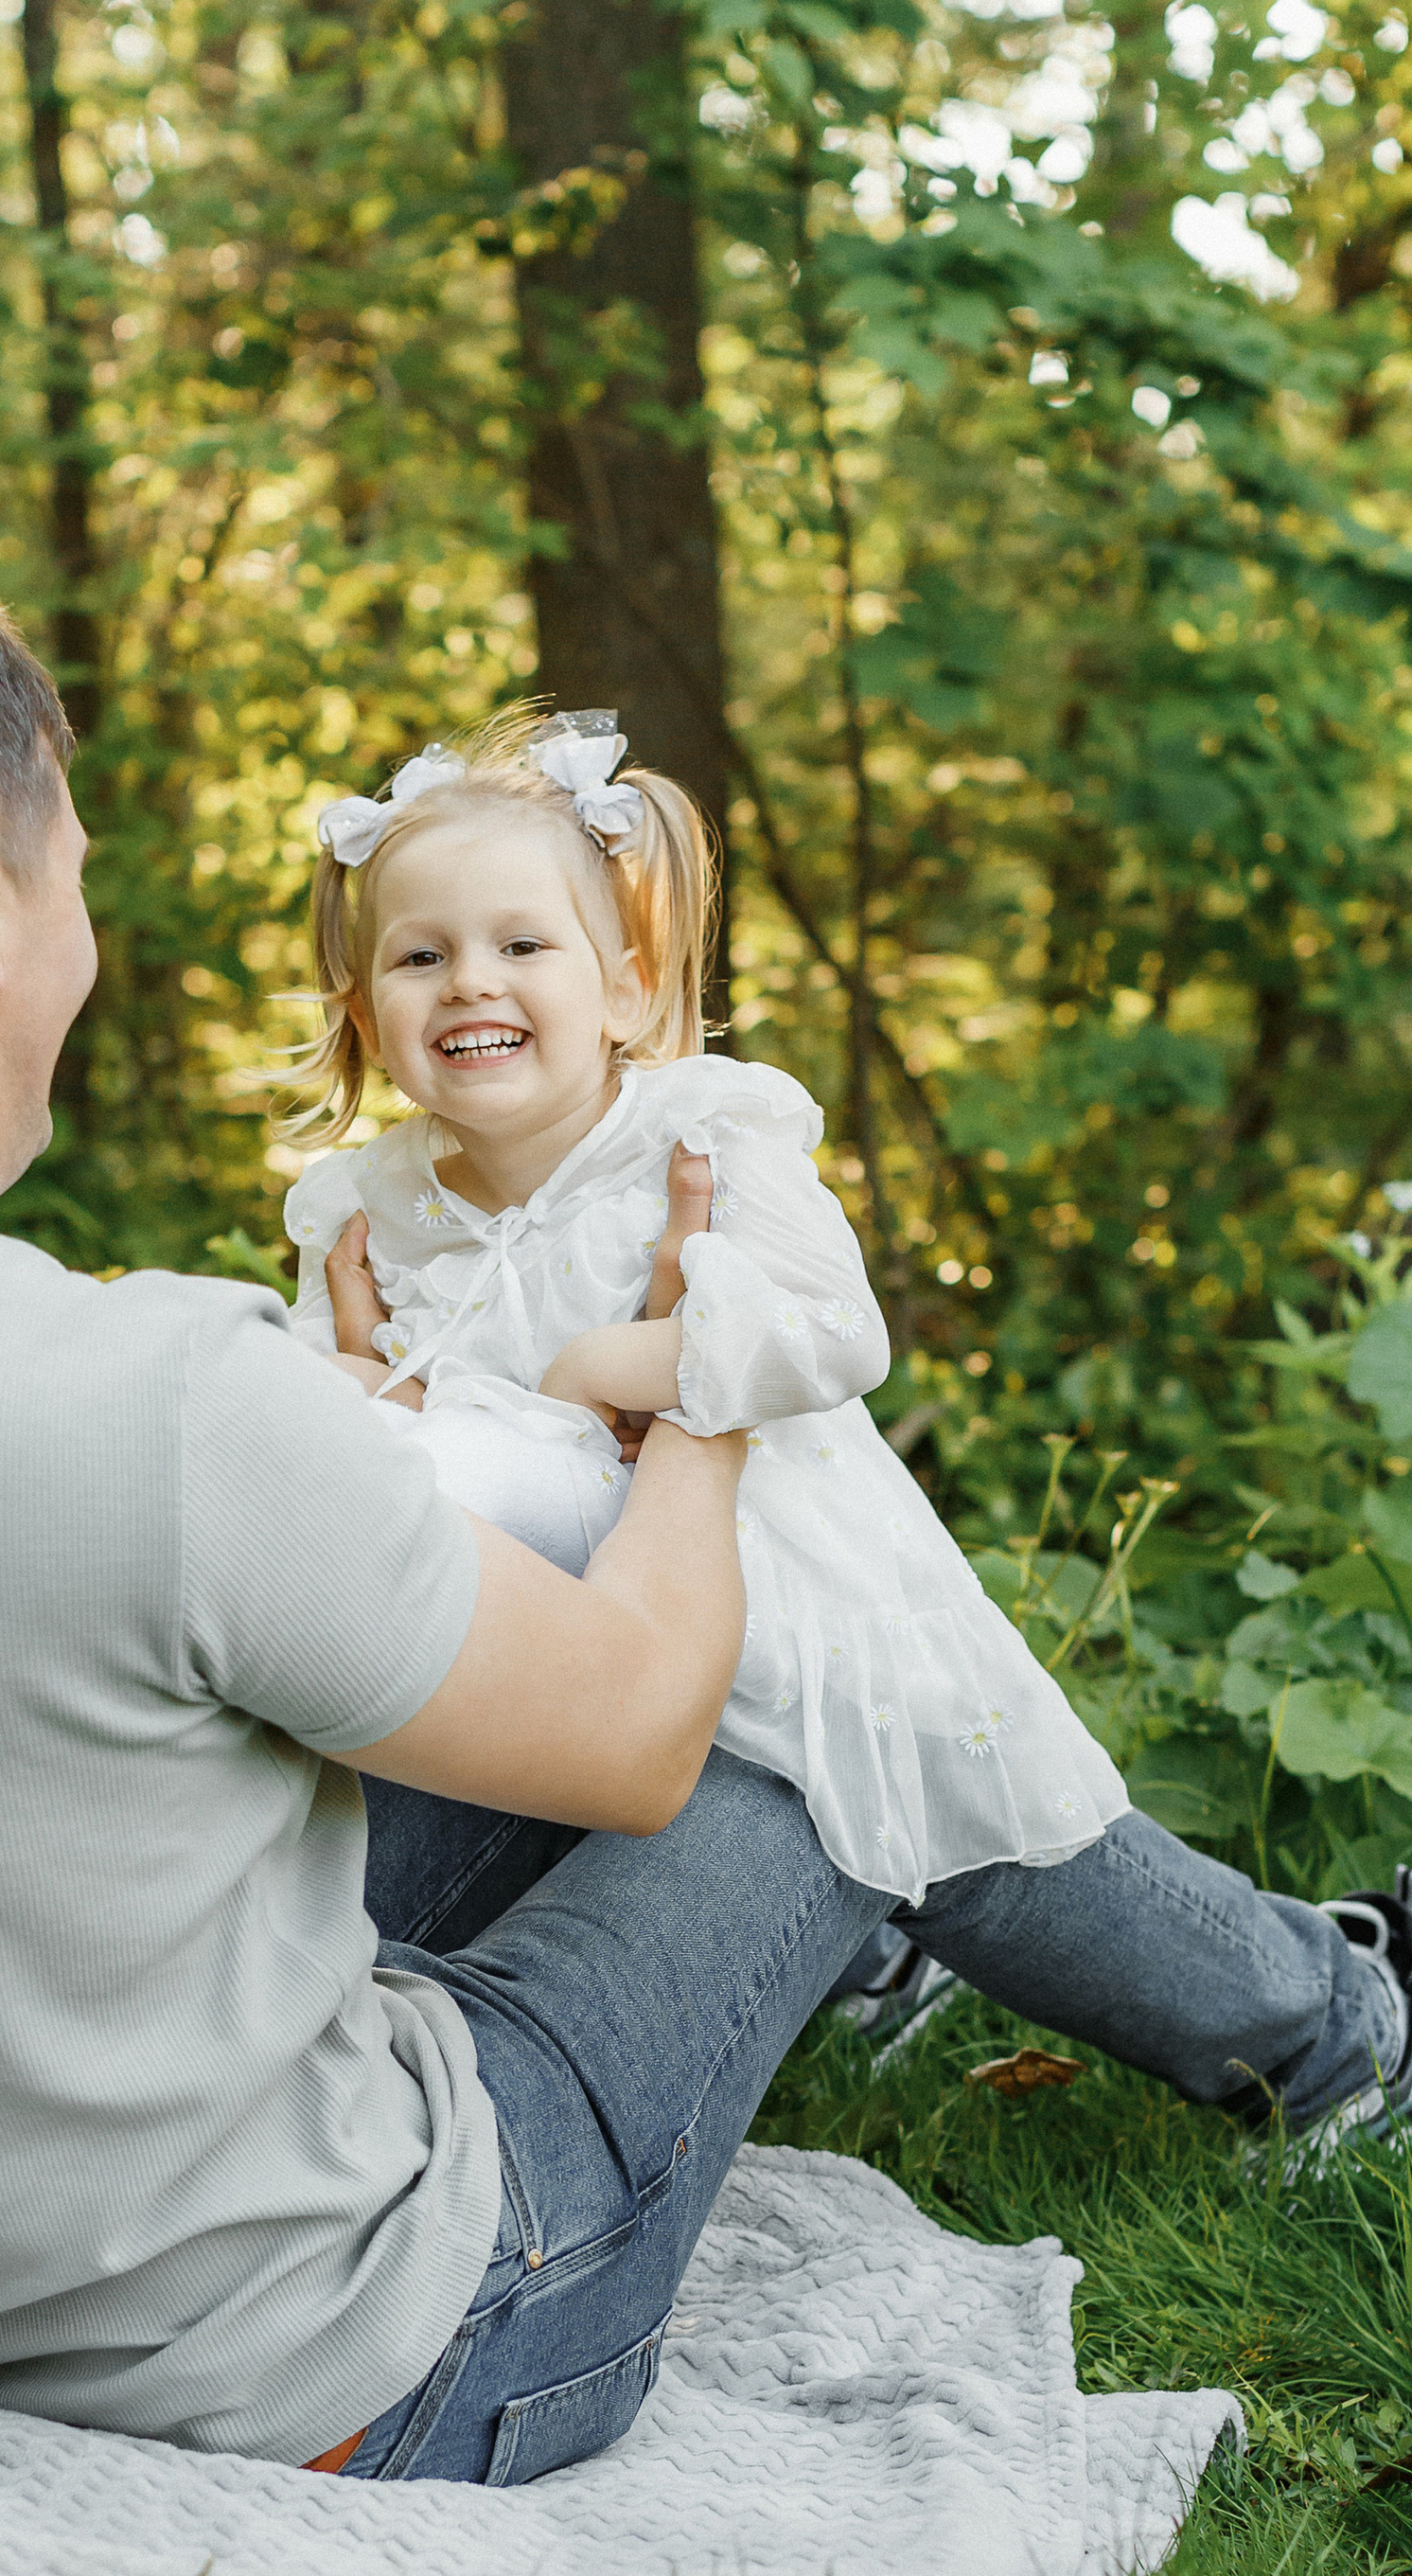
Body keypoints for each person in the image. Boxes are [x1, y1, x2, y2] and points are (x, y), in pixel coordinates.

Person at [0, 557, 1412, 2499]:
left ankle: (1089, 1994)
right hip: (355, 2365)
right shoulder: (156, 1387)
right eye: (74, 876)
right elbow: (639, 1736)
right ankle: (1327, 2029)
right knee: (812, 1740)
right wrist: (695, 1390)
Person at [274, 707, 1128, 1906]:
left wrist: (593, 1367)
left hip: (790, 1601)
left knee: (1031, 1876)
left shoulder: (703, 1135)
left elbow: (837, 1334)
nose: (470, 979)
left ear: (624, 990)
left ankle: (1331, 2016)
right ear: (369, 1018)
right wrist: (366, 1383)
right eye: (421, 957)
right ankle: (847, 1951)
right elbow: (347, 1413)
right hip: (566, 1663)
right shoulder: (364, 1208)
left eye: (522, 945)